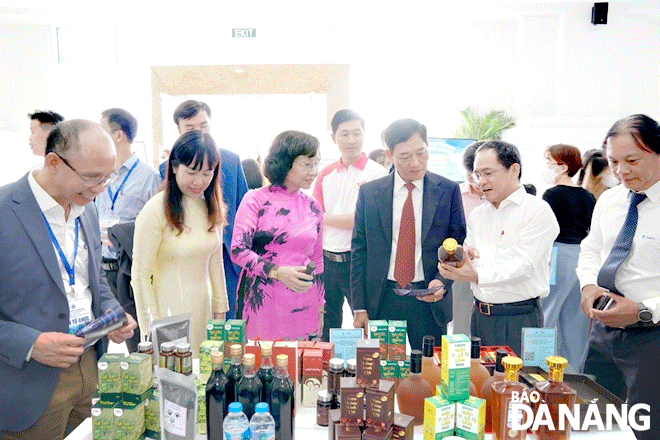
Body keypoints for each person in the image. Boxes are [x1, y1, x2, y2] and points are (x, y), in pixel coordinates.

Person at [0, 119, 137, 438]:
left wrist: (112, 314)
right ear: (52, 162)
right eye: (91, 177)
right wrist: (30, 344)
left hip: (89, 369)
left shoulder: (86, 209)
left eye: (108, 177)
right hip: (27, 381)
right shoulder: (5, 211)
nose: (100, 189)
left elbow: (93, 282)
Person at [577, 114, 660, 440]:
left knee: (649, 428)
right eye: (613, 161)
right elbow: (591, 250)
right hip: (603, 331)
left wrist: (643, 309)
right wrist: (588, 286)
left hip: (652, 337)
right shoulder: (611, 200)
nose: (621, 171)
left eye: (632, 160)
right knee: (590, 419)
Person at [350, 118, 466, 350]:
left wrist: (442, 281)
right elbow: (359, 250)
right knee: (383, 373)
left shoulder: (448, 191)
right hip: (382, 299)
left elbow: (457, 242)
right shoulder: (370, 193)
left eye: (421, 152)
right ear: (390, 155)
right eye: (404, 156)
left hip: (428, 299)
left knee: (428, 372)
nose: (416, 163)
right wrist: (359, 306)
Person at [438, 141, 559, 356]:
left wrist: (475, 274)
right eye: (476, 175)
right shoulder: (479, 215)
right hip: (479, 317)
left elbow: (523, 266)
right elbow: (472, 254)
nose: (481, 182)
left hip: (520, 319)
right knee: (480, 383)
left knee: (521, 385)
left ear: (514, 170)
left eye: (488, 173)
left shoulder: (537, 211)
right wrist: (461, 259)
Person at [132, 130, 228, 356]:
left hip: (204, 310)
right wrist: (151, 329)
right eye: (192, 172)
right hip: (168, 313)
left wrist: (221, 311)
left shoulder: (212, 206)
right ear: (174, 167)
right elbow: (140, 275)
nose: (199, 181)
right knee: (175, 380)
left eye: (207, 173)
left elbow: (215, 262)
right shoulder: (155, 210)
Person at [231, 130, 324, 340]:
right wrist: (278, 272)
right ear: (285, 163)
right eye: (306, 164)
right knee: (262, 363)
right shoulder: (255, 199)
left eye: (316, 164)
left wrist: (320, 304)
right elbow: (237, 250)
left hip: (304, 302)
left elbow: (317, 259)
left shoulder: (313, 207)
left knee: (303, 365)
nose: (314, 171)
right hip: (264, 299)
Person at [160, 100, 249, 319]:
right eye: (190, 128)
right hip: (187, 258)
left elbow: (244, 207)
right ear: (179, 131)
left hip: (227, 256)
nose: (199, 132)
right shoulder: (167, 167)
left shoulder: (230, 160)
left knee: (228, 321)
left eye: (204, 125)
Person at [313, 110, 387, 341]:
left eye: (357, 133)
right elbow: (314, 216)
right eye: (345, 134)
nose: (352, 140)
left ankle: (368, 374)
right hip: (327, 261)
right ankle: (327, 372)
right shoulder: (325, 174)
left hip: (359, 262)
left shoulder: (377, 172)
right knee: (327, 325)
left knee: (366, 324)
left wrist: (325, 218)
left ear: (365, 135)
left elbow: (365, 222)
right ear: (334, 138)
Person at [94, 108, 161, 352]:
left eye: (102, 131)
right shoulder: (100, 175)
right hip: (100, 268)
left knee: (138, 338)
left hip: (128, 271)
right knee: (97, 339)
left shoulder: (149, 178)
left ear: (119, 135)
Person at [540, 144, 596, 367]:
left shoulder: (552, 195)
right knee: (576, 322)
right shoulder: (588, 196)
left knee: (546, 314)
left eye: (548, 163)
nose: (545, 168)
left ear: (562, 167)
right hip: (581, 258)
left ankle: (540, 370)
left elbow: (544, 231)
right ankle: (574, 374)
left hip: (557, 256)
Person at [453, 141, 488, 335]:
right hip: (463, 268)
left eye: (480, 176)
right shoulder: (456, 193)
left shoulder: (499, 196)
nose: (476, 183)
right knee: (461, 322)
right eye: (470, 176)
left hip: (494, 270)